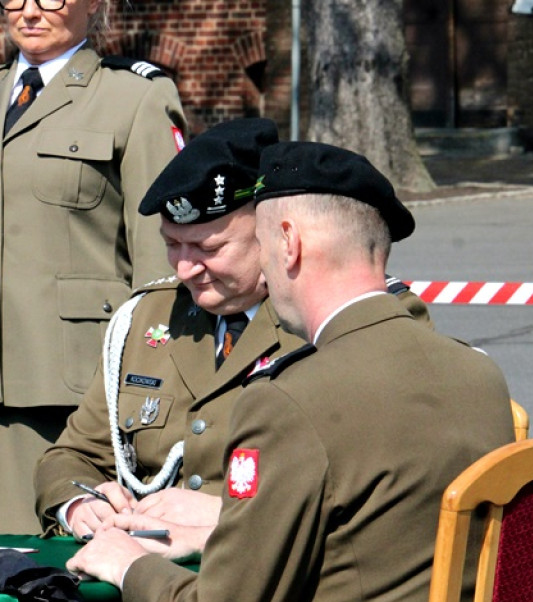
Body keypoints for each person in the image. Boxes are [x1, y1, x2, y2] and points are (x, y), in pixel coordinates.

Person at [66, 141, 515, 602]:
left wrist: (126, 565)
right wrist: (223, 523)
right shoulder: (476, 376)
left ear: (288, 243)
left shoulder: (290, 400)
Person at [34, 118, 431, 549]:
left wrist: (233, 514)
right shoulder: (146, 319)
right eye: (172, 244)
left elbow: (385, 481)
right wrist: (78, 505)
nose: (185, 268)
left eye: (208, 249)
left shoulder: (349, 316)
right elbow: (71, 455)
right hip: (142, 573)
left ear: (273, 235)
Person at [0, 0, 187, 534]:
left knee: (89, 564)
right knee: (1, 563)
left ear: (95, 5)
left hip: (86, 385)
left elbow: (163, 257)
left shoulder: (135, 97)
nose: (30, 12)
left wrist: (151, 385)